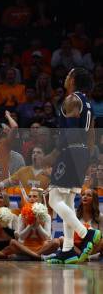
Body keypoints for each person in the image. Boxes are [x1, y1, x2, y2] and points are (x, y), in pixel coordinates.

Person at [45, 68, 101, 263]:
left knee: (53, 199)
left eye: (68, 75)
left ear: (74, 80)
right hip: (83, 151)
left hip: (70, 151)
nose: (65, 77)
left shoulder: (71, 100)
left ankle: (86, 233)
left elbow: (68, 132)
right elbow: (91, 133)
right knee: (68, 202)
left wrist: (55, 154)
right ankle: (68, 249)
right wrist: (87, 157)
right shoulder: (88, 103)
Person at [4, 188, 51, 260]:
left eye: (34, 196)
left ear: (40, 199)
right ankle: (39, 257)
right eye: (29, 196)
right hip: (25, 247)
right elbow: (21, 237)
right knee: (13, 242)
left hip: (42, 247)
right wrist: (30, 224)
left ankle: (28, 256)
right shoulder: (22, 215)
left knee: (56, 242)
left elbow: (46, 237)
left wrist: (38, 225)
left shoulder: (46, 216)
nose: (31, 198)